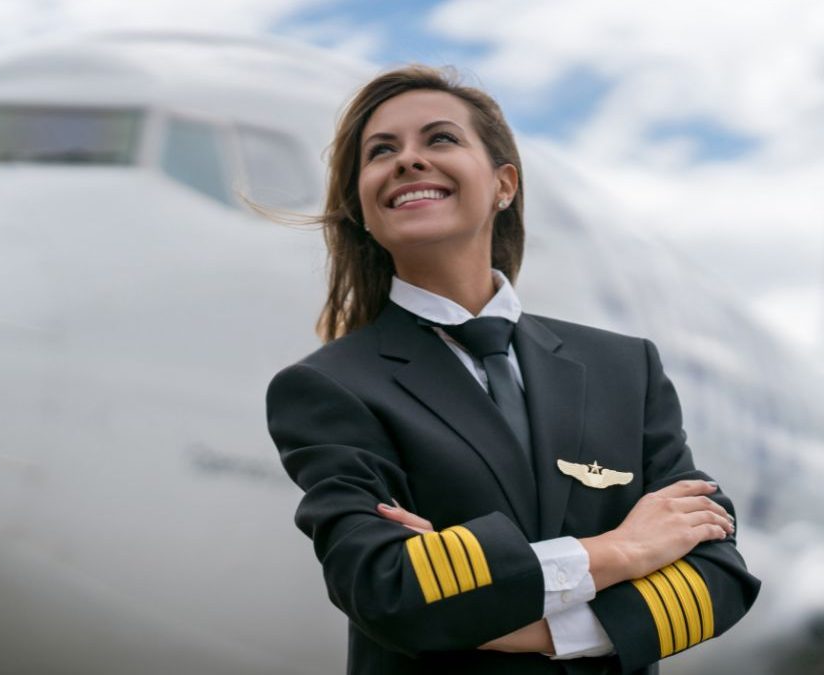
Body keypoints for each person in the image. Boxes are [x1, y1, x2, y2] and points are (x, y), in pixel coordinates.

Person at [264, 65, 759, 675]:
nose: (408, 160)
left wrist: (536, 629)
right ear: (365, 207)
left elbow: (718, 571)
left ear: (504, 185)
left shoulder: (624, 367)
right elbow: (386, 588)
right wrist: (621, 549)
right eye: (381, 151)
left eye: (440, 139)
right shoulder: (329, 388)